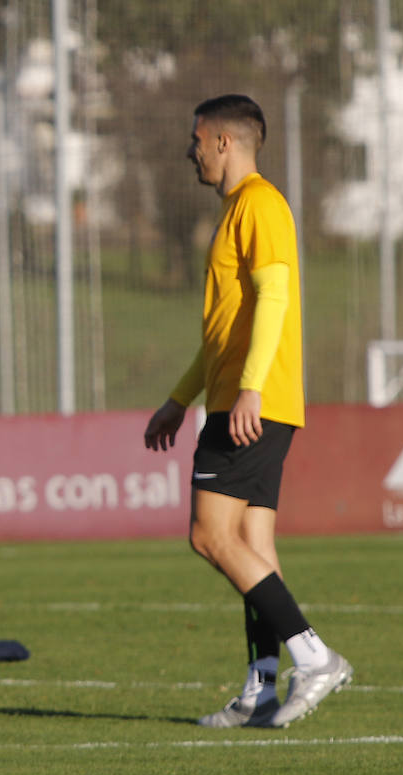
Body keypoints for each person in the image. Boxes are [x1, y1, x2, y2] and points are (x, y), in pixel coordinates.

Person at [144, 94, 351, 729]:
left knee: (209, 535)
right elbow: (224, 334)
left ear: (224, 143)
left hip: (250, 404)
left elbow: (274, 298)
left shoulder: (260, 203)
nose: (191, 150)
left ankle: (313, 657)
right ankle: (262, 684)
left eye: (196, 139)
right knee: (251, 544)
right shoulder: (237, 209)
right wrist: (182, 399)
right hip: (248, 398)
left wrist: (252, 390)